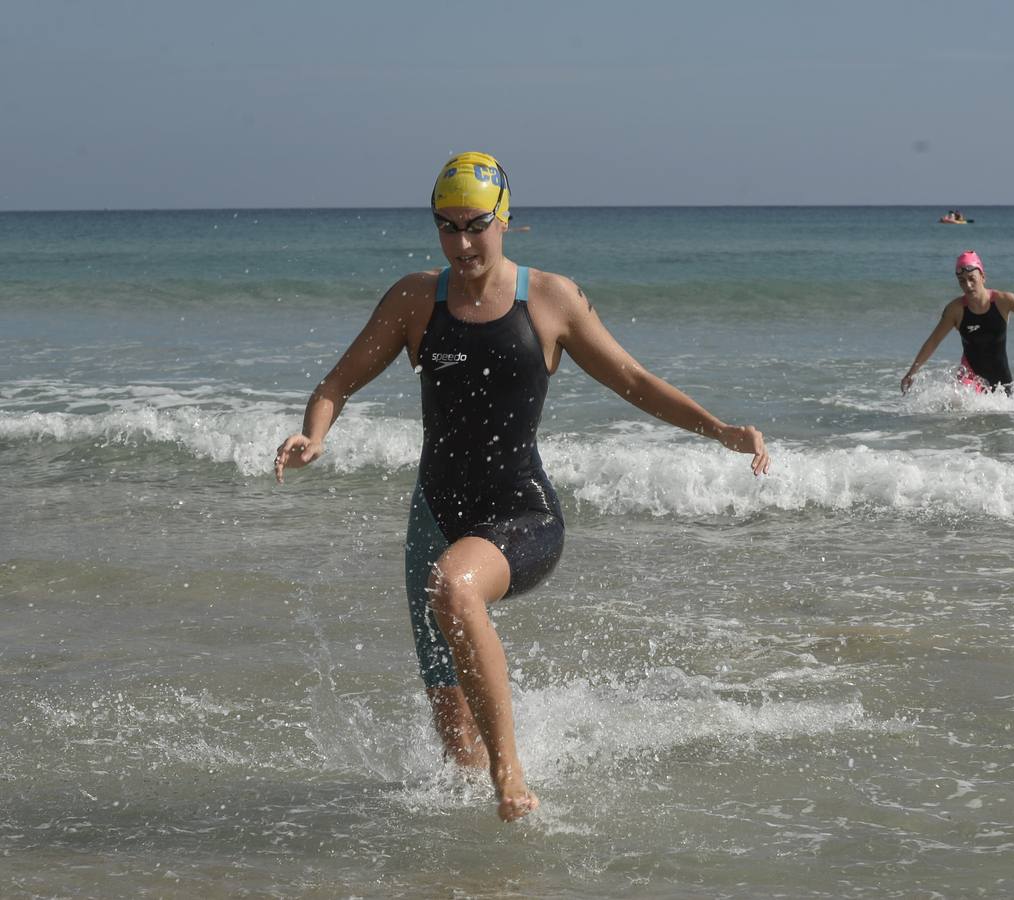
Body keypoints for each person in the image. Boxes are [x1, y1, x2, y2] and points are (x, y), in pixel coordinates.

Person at [274, 151, 770, 822]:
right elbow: (335, 383)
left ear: (505, 220)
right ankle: (490, 860)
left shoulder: (550, 299)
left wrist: (721, 430)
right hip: (435, 518)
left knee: (454, 586)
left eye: (476, 224)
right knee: (455, 747)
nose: (462, 242)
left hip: (521, 516)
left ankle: (510, 775)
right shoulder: (415, 300)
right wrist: (315, 435)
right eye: (446, 227)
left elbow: (635, 382)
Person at [899, 250, 1014, 395]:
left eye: (972, 278)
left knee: (1005, 428)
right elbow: (933, 342)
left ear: (983, 276)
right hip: (969, 379)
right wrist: (910, 373)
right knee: (960, 418)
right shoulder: (955, 310)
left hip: (1001, 380)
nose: (967, 284)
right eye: (962, 281)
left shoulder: (1003, 301)